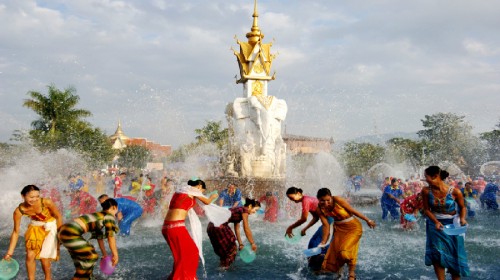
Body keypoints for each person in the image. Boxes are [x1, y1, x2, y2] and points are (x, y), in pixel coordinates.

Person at [162, 178, 219, 279]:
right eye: (202, 191)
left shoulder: (182, 190)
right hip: (176, 227)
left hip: (169, 227)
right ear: (200, 186)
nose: (201, 193)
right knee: (192, 253)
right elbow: (207, 201)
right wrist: (213, 196)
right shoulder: (192, 190)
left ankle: (179, 277)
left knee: (181, 256)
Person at [3, 185, 62, 280]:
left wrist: (60, 234)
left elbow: (58, 216)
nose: (34, 199)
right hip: (35, 229)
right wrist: (10, 252)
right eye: (31, 197)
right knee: (30, 256)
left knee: (44, 259)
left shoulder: (46, 202)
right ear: (23, 196)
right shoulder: (19, 211)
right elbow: (15, 232)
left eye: (37, 196)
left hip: (50, 228)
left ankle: (48, 278)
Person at [316, 188, 376, 279]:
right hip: (339, 229)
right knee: (335, 252)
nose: (325, 203)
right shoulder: (319, 209)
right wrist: (323, 242)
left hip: (353, 228)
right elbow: (326, 226)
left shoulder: (338, 200)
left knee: (344, 252)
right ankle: (339, 271)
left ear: (331, 197)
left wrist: (368, 220)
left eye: (328, 200)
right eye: (322, 201)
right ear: (318, 200)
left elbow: (352, 210)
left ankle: (351, 272)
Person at [421, 166, 469, 279]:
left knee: (454, 253)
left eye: (426, 177)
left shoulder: (455, 191)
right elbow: (426, 210)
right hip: (435, 225)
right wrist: (436, 222)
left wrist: (462, 218)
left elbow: (462, 207)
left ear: (435, 176)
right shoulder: (426, 191)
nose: (425, 179)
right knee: (437, 254)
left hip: (452, 226)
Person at [58, 198, 119, 280]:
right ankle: (77, 278)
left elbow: (99, 237)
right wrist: (115, 255)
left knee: (82, 259)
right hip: (70, 232)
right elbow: (110, 237)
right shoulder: (109, 216)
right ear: (114, 207)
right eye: (117, 209)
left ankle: (87, 278)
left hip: (63, 231)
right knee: (91, 256)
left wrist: (104, 254)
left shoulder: (98, 216)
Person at [206, 198, 260, 269]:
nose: (255, 212)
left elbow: (237, 228)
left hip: (211, 226)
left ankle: (223, 267)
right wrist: (252, 243)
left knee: (226, 251)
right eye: (255, 210)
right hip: (219, 226)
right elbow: (246, 228)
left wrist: (240, 244)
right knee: (232, 250)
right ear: (250, 206)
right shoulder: (245, 211)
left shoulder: (239, 210)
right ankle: (224, 269)